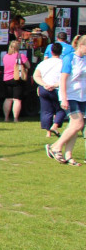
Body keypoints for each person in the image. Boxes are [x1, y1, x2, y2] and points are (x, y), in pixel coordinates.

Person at [46, 35, 86, 166]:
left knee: (74, 127)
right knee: (78, 123)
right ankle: (55, 147)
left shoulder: (84, 59)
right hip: (70, 95)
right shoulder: (70, 58)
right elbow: (63, 79)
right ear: (81, 45)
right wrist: (63, 98)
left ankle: (69, 155)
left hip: (82, 96)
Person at [34, 43, 66, 136]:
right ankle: (55, 126)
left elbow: (36, 75)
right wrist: (55, 85)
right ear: (61, 52)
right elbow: (66, 78)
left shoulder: (43, 63)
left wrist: (44, 84)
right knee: (61, 109)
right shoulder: (63, 63)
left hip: (44, 89)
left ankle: (48, 132)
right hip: (57, 89)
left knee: (46, 110)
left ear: (51, 52)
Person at [1, 39, 30, 123]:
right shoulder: (20, 56)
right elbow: (28, 65)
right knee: (17, 99)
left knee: (8, 99)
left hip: (6, 78)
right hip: (17, 78)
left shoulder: (5, 56)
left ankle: (6, 118)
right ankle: (15, 119)